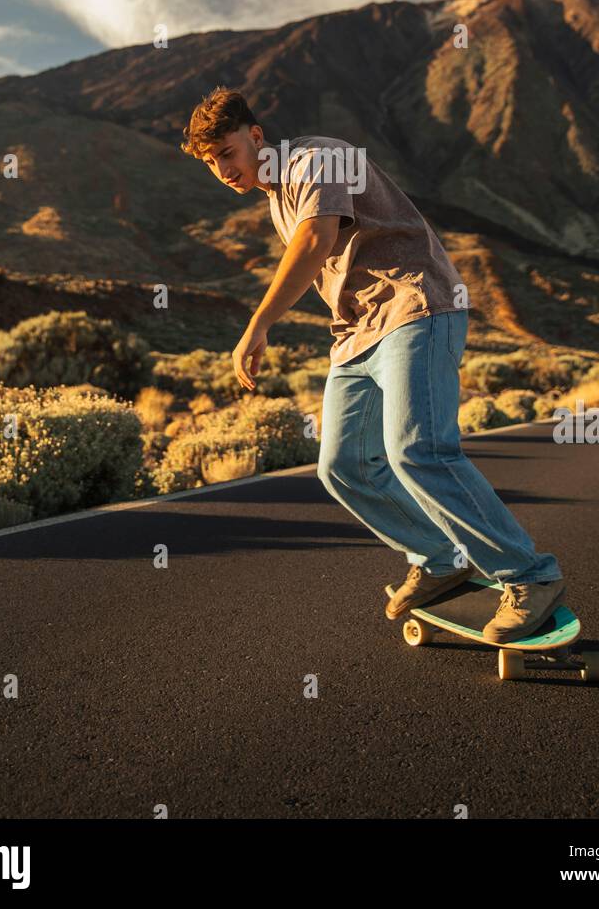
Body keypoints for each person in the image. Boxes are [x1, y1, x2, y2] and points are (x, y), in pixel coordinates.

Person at [181, 86, 566, 641]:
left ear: (257, 136)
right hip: (357, 332)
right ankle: (441, 559)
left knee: (418, 450)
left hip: (415, 306)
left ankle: (530, 576)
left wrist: (258, 323)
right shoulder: (276, 199)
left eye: (228, 155)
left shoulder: (317, 159)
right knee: (343, 466)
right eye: (211, 163)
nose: (222, 170)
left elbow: (315, 240)